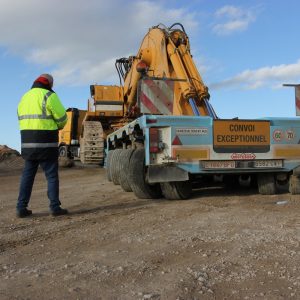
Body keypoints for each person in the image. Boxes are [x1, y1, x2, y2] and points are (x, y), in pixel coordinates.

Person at [16, 74, 68, 218]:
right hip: (46, 142)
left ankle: (21, 208)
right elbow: (62, 119)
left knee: (27, 176)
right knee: (51, 176)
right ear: (50, 84)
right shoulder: (49, 96)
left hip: (28, 143)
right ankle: (54, 207)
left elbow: (19, 117)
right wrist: (57, 125)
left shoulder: (25, 97)